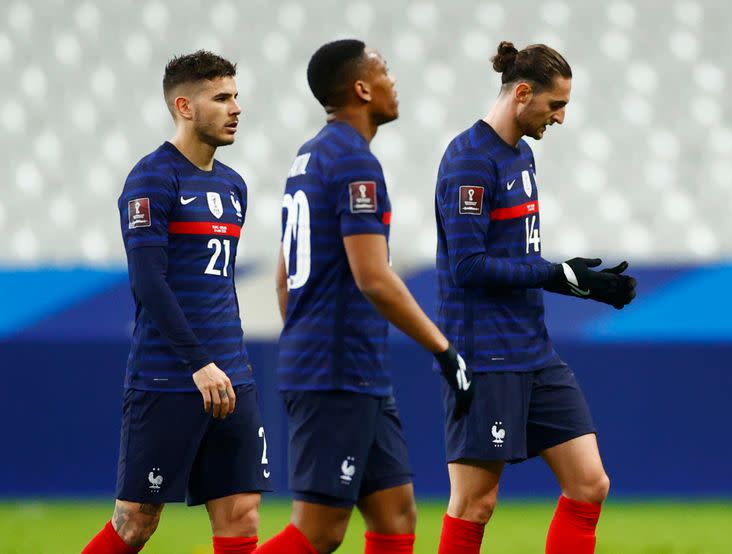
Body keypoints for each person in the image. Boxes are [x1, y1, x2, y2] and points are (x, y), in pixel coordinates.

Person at [254, 39, 473, 554]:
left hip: (351, 369)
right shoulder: (354, 162)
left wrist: (307, 340)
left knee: (395, 517)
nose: (393, 82)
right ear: (361, 88)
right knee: (319, 531)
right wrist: (443, 349)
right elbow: (373, 277)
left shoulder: (308, 157)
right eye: (385, 71)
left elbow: (284, 279)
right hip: (336, 372)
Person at [434, 41, 637, 554]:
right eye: (555, 105)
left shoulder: (520, 154)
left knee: (590, 483)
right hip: (485, 353)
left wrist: (574, 279)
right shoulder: (468, 160)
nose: (562, 118)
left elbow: (517, 255)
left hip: (533, 349)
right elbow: (468, 265)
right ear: (522, 93)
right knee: (474, 504)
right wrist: (555, 274)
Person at [82, 51, 271, 554]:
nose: (236, 108)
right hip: (169, 377)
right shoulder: (152, 178)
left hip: (232, 375)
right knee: (136, 521)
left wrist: (224, 362)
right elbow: (149, 283)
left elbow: (217, 284)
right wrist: (198, 363)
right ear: (184, 106)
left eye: (236, 96)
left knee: (242, 514)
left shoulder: (234, 187)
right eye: (222, 98)